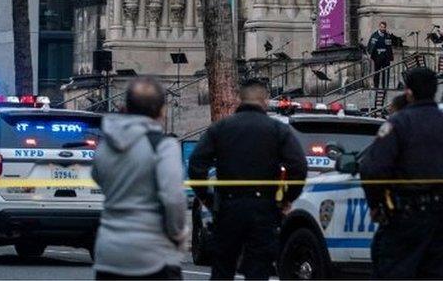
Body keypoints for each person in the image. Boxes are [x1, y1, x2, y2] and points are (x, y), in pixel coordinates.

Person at [188, 80, 308, 280]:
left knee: (223, 268)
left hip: (228, 207)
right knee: (258, 269)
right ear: (265, 100)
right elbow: (298, 166)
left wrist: (207, 198)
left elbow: (196, 165)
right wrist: (286, 199)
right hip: (264, 208)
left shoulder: (221, 128)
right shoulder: (277, 130)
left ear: (240, 99)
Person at [360, 67, 443, 278]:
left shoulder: (399, 123)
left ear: (408, 93)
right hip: (441, 215)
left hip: (405, 215)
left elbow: (372, 168)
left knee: (394, 270)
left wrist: (376, 204)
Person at [92, 78, 186, 280]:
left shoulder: (105, 146)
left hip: (109, 252)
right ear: (162, 110)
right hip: (154, 253)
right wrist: (178, 233)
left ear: (126, 107)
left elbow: (97, 177)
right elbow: (173, 197)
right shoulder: (164, 146)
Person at [367, 21, 398, 88]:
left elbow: (389, 47)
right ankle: (376, 86)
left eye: (384, 27)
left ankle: (385, 86)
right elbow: (370, 45)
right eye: (381, 27)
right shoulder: (374, 35)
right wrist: (371, 54)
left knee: (386, 73)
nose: (383, 28)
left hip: (385, 57)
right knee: (377, 73)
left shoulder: (387, 35)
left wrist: (390, 57)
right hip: (377, 57)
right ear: (379, 27)